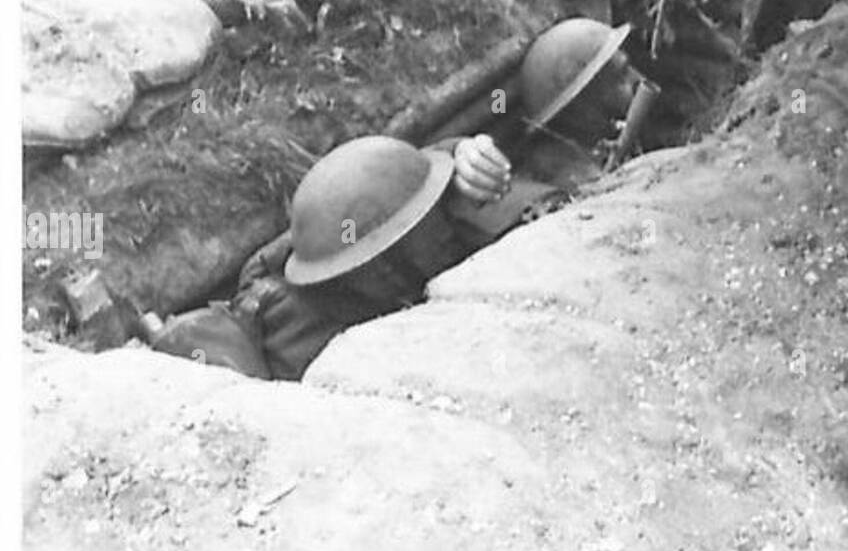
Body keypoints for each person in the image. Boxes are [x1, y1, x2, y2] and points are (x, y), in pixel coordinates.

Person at [146, 19, 649, 381]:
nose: (441, 221)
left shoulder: (282, 275)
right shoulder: (328, 352)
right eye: (425, 217)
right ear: (382, 265)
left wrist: (457, 156)